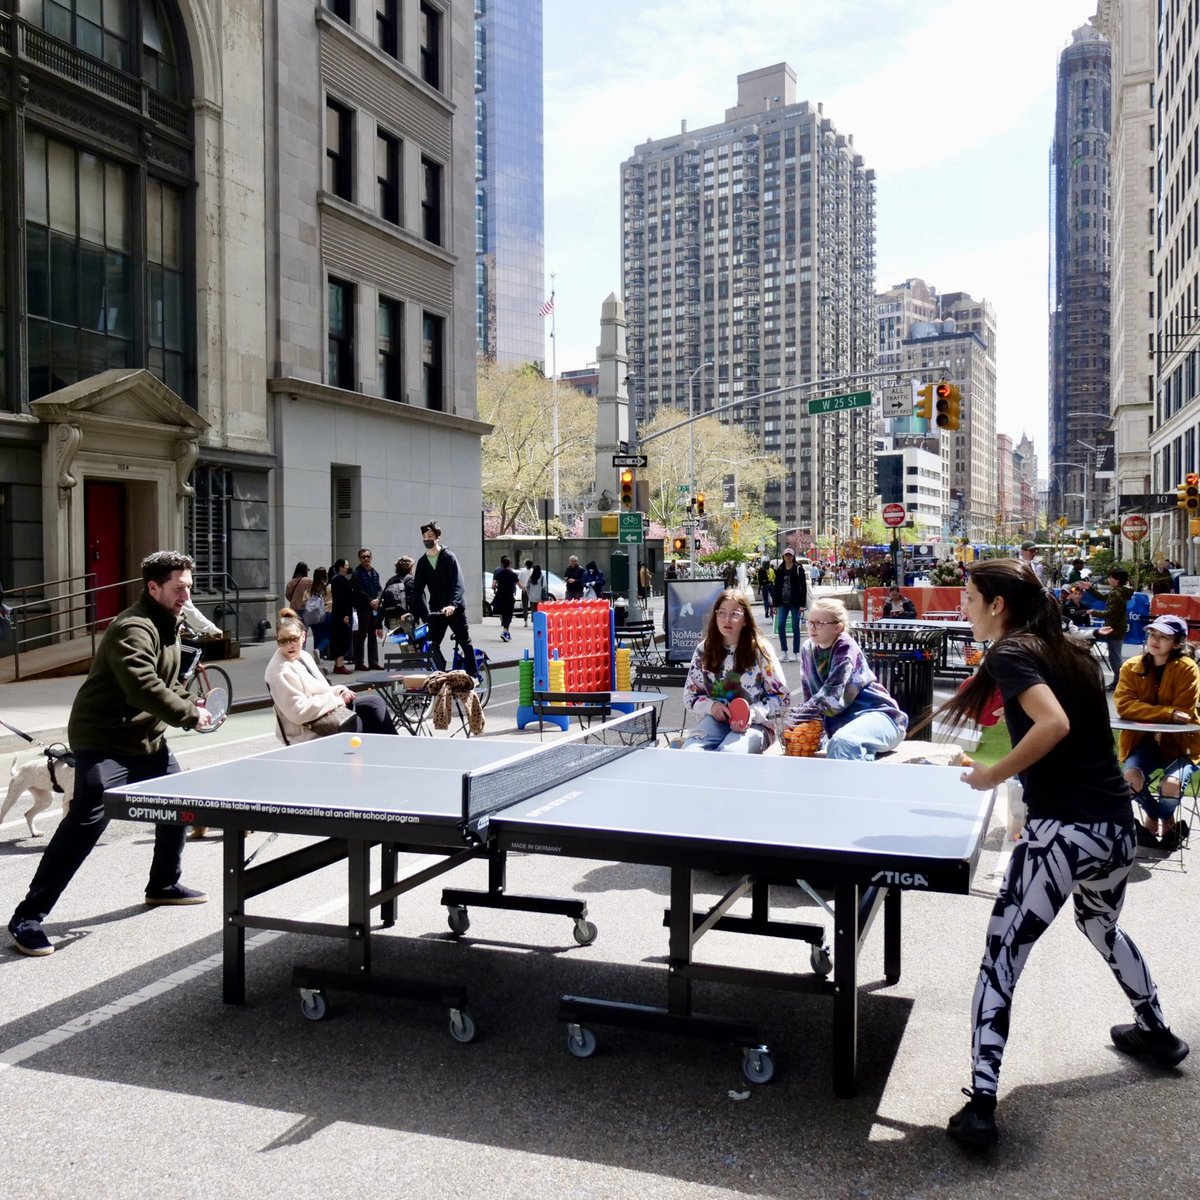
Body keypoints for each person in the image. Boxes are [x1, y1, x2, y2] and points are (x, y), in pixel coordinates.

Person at [936, 558, 1187, 1149]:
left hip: (1062, 837)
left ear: (997, 604)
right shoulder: (1071, 648)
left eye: (970, 597)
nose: (964, 607)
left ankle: (981, 1103)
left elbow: (1053, 726)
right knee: (1101, 925)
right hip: (1114, 831)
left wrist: (993, 773)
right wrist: (999, 765)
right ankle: (1155, 1030)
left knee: (1002, 956)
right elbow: (1065, 737)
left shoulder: (1010, 653)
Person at [7, 551, 214, 957]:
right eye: (178, 588)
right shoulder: (132, 628)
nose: (185, 595)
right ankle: (27, 917)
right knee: (85, 822)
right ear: (153, 587)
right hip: (103, 740)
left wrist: (195, 702)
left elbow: (168, 680)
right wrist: (190, 715)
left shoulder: (171, 623)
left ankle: (163, 885)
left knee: (175, 802)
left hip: (146, 739)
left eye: (189, 587)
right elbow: (143, 686)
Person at [783, 597, 906, 759]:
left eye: (819, 623)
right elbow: (810, 696)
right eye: (809, 621)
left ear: (837, 627)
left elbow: (831, 695)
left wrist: (795, 718)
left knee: (843, 743)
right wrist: (803, 727)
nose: (812, 627)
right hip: (843, 726)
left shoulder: (845, 647)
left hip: (879, 717)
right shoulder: (808, 648)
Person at [1115, 613, 1199, 852]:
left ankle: (1160, 818)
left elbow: (1183, 711)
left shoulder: (1187, 668)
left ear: (1177, 643)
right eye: (1153, 634)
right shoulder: (1132, 666)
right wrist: (1167, 713)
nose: (1155, 640)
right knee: (1130, 777)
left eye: (1164, 637)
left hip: (1183, 743)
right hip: (1141, 743)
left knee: (1171, 784)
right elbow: (1124, 706)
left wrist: (1153, 712)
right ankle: (1163, 819)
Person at [681, 589, 790, 753]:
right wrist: (712, 706)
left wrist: (752, 713)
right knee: (690, 751)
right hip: (716, 722)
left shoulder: (760, 650)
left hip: (758, 725)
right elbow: (690, 696)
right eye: (722, 613)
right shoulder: (704, 650)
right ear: (715, 616)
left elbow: (781, 697)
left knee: (730, 753)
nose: (727, 619)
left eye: (735, 614)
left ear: (745, 619)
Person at [265, 607, 397, 743]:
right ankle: (389, 755)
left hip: (325, 712)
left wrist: (340, 691)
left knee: (374, 705)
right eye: (283, 641)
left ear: (303, 636)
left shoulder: (303, 656)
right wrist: (337, 700)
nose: (289, 645)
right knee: (357, 724)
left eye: (293, 638)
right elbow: (299, 712)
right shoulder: (280, 671)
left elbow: (322, 689)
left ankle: (398, 752)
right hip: (307, 731)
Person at [411, 521, 477, 675]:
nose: (427, 539)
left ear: (438, 537)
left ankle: (473, 675)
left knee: (465, 642)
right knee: (432, 643)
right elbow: (418, 589)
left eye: (431, 536)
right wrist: (412, 612)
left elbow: (458, 583)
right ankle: (440, 675)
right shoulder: (422, 562)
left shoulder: (448, 556)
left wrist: (453, 604)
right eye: (425, 536)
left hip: (454, 608)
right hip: (437, 609)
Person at [1094, 567, 1132, 690]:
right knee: (1115, 655)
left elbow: (1111, 612)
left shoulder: (1117, 593)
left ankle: (1119, 682)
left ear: (1117, 580)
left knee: (1115, 656)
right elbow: (1104, 598)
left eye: (1111, 577)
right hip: (1117, 627)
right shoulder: (1119, 591)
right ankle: (1119, 681)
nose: (1108, 579)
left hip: (1114, 628)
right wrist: (1090, 589)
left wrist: (1093, 612)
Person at [772, 548, 808, 662]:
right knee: (781, 625)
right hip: (782, 602)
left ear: (793, 557)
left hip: (795, 603)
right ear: (783, 557)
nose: (788, 557)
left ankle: (796, 652)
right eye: (786, 555)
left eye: (790, 555)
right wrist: (774, 604)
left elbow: (803, 587)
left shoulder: (798, 569)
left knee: (795, 627)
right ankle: (784, 652)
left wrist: (802, 604)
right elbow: (776, 588)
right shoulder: (780, 569)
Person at [350, 547, 383, 671]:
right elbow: (358, 591)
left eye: (368, 556)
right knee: (361, 635)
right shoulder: (356, 574)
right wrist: (371, 601)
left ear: (371, 558)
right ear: (360, 559)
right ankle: (359, 662)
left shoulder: (375, 572)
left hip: (374, 608)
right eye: (363, 557)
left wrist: (378, 599)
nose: (366, 559)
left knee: (372, 636)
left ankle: (373, 662)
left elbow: (380, 588)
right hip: (363, 608)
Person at [329, 558, 354, 674]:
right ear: (341, 567)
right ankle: (339, 664)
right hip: (342, 614)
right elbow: (341, 599)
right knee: (342, 639)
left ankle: (339, 664)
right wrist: (345, 614)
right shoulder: (339, 580)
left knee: (342, 638)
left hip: (340, 613)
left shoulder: (339, 579)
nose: (348, 567)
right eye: (346, 565)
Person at [379, 556, 415, 631]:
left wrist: (378, 624)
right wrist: (427, 620)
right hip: (407, 618)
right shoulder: (412, 580)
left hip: (392, 621)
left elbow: (383, 602)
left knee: (400, 642)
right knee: (411, 642)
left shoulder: (390, 581)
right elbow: (419, 600)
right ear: (410, 567)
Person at [303, 566, 332, 657]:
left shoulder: (310, 587)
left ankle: (318, 655)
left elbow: (304, 599)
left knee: (317, 635)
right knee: (328, 635)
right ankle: (319, 649)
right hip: (326, 613)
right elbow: (332, 600)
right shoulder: (329, 587)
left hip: (312, 614)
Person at [491, 555, 520, 642]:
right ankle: (505, 631)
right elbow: (519, 585)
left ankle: (506, 630)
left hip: (500, 596)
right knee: (508, 614)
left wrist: (497, 586)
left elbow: (493, 585)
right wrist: (525, 589)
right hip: (509, 597)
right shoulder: (513, 574)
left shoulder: (499, 573)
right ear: (509, 564)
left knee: (504, 614)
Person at [518, 559, 535, 624]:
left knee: (525, 605)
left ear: (525, 565)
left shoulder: (522, 573)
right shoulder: (533, 572)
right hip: (532, 591)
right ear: (532, 565)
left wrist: (522, 588)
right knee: (532, 606)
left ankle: (525, 621)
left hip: (524, 590)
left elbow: (518, 581)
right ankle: (533, 621)